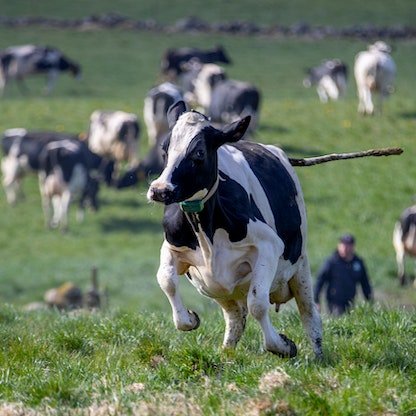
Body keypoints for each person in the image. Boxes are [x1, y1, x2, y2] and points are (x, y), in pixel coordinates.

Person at [314, 234, 372, 316]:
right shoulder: (332, 262)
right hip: (334, 302)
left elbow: (365, 283)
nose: (345, 248)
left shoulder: (358, 263)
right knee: (338, 319)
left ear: (352, 247)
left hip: (350, 302)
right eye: (343, 245)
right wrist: (316, 300)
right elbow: (320, 281)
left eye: (348, 245)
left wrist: (369, 301)